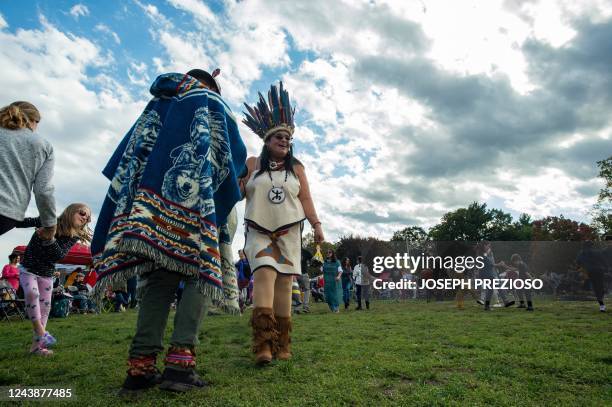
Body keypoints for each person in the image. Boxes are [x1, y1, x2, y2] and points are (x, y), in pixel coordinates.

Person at [91, 69, 246, 394]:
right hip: (200, 211)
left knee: (157, 280)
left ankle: (140, 369)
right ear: (213, 88)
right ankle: (179, 366)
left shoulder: (161, 102)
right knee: (200, 274)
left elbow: (130, 156)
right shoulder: (215, 106)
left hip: (151, 208)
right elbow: (234, 160)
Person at [241, 82, 324, 365]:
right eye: (278, 137)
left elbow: (307, 198)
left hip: (289, 231)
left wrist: (317, 225)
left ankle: (283, 342)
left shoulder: (297, 168)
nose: (284, 141)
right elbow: (236, 191)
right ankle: (263, 344)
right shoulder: (252, 164)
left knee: (286, 283)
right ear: (266, 140)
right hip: (259, 230)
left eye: (287, 138)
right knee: (264, 272)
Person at [19, 203, 92, 355]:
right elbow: (22, 222)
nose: (85, 218)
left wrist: (49, 238)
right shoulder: (49, 220)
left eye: (88, 218)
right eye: (83, 213)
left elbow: (58, 255)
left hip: (46, 274)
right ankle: (41, 332)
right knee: (32, 294)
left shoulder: (73, 235)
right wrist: (9, 216)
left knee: (45, 308)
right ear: (71, 211)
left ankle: (36, 347)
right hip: (28, 269)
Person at [0, 101, 56, 239]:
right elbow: (43, 191)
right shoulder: (43, 145)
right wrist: (50, 225)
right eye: (37, 123)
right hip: (7, 213)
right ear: (32, 120)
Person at [576, 241, 608, 312]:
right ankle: (601, 304)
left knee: (594, 286)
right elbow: (604, 261)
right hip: (599, 271)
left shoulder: (581, 253)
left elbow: (578, 263)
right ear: (592, 246)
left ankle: (586, 286)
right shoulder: (597, 252)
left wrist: (579, 270)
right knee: (599, 287)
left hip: (589, 272)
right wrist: (606, 268)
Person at [298, 247, 313, 313]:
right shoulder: (305, 252)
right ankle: (305, 307)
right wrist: (309, 264)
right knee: (307, 289)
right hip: (303, 273)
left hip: (294, 273)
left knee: (296, 290)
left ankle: (297, 308)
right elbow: (313, 260)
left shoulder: (292, 249)